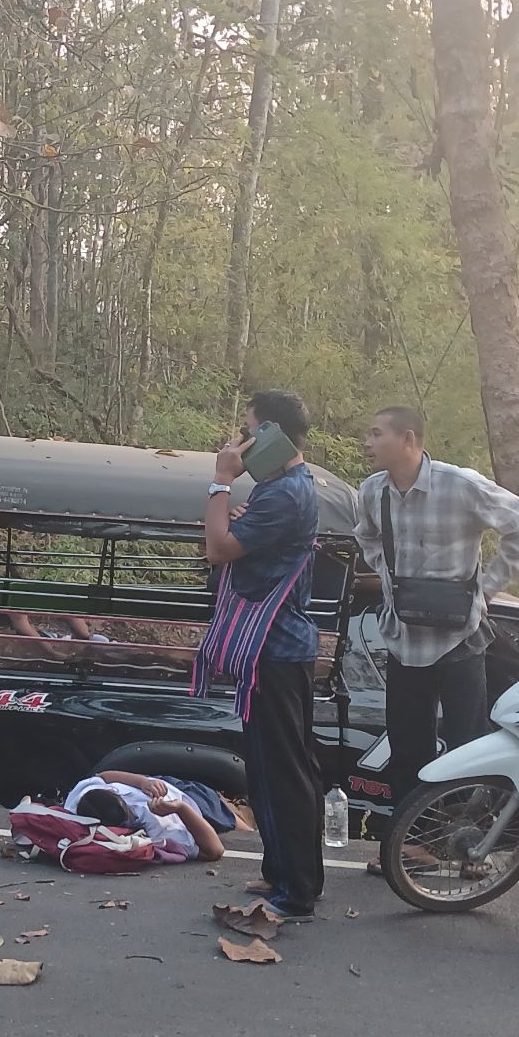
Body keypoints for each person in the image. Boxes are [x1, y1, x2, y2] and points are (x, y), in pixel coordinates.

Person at [354, 406, 519, 878]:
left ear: (408, 439)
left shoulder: (460, 485)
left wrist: (487, 588)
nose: (368, 443)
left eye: (376, 434)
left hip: (460, 637)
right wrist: (390, 580)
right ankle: (415, 846)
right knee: (407, 747)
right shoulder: (372, 491)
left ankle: (473, 847)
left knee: (468, 747)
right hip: (404, 638)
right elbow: (366, 538)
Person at [199, 389, 324, 920]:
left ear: (270, 434)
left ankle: (296, 891)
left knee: (283, 770)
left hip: (276, 648)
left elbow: (218, 549)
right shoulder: (283, 489)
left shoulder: (285, 494)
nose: (239, 442)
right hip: (274, 649)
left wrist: (220, 482)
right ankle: (283, 873)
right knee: (274, 768)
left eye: (247, 431)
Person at [67, 770, 231, 862]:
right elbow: (214, 851)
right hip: (194, 803)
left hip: (160, 783)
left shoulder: (80, 796)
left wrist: (142, 782)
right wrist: (180, 809)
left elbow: (103, 776)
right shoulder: (157, 826)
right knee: (231, 819)